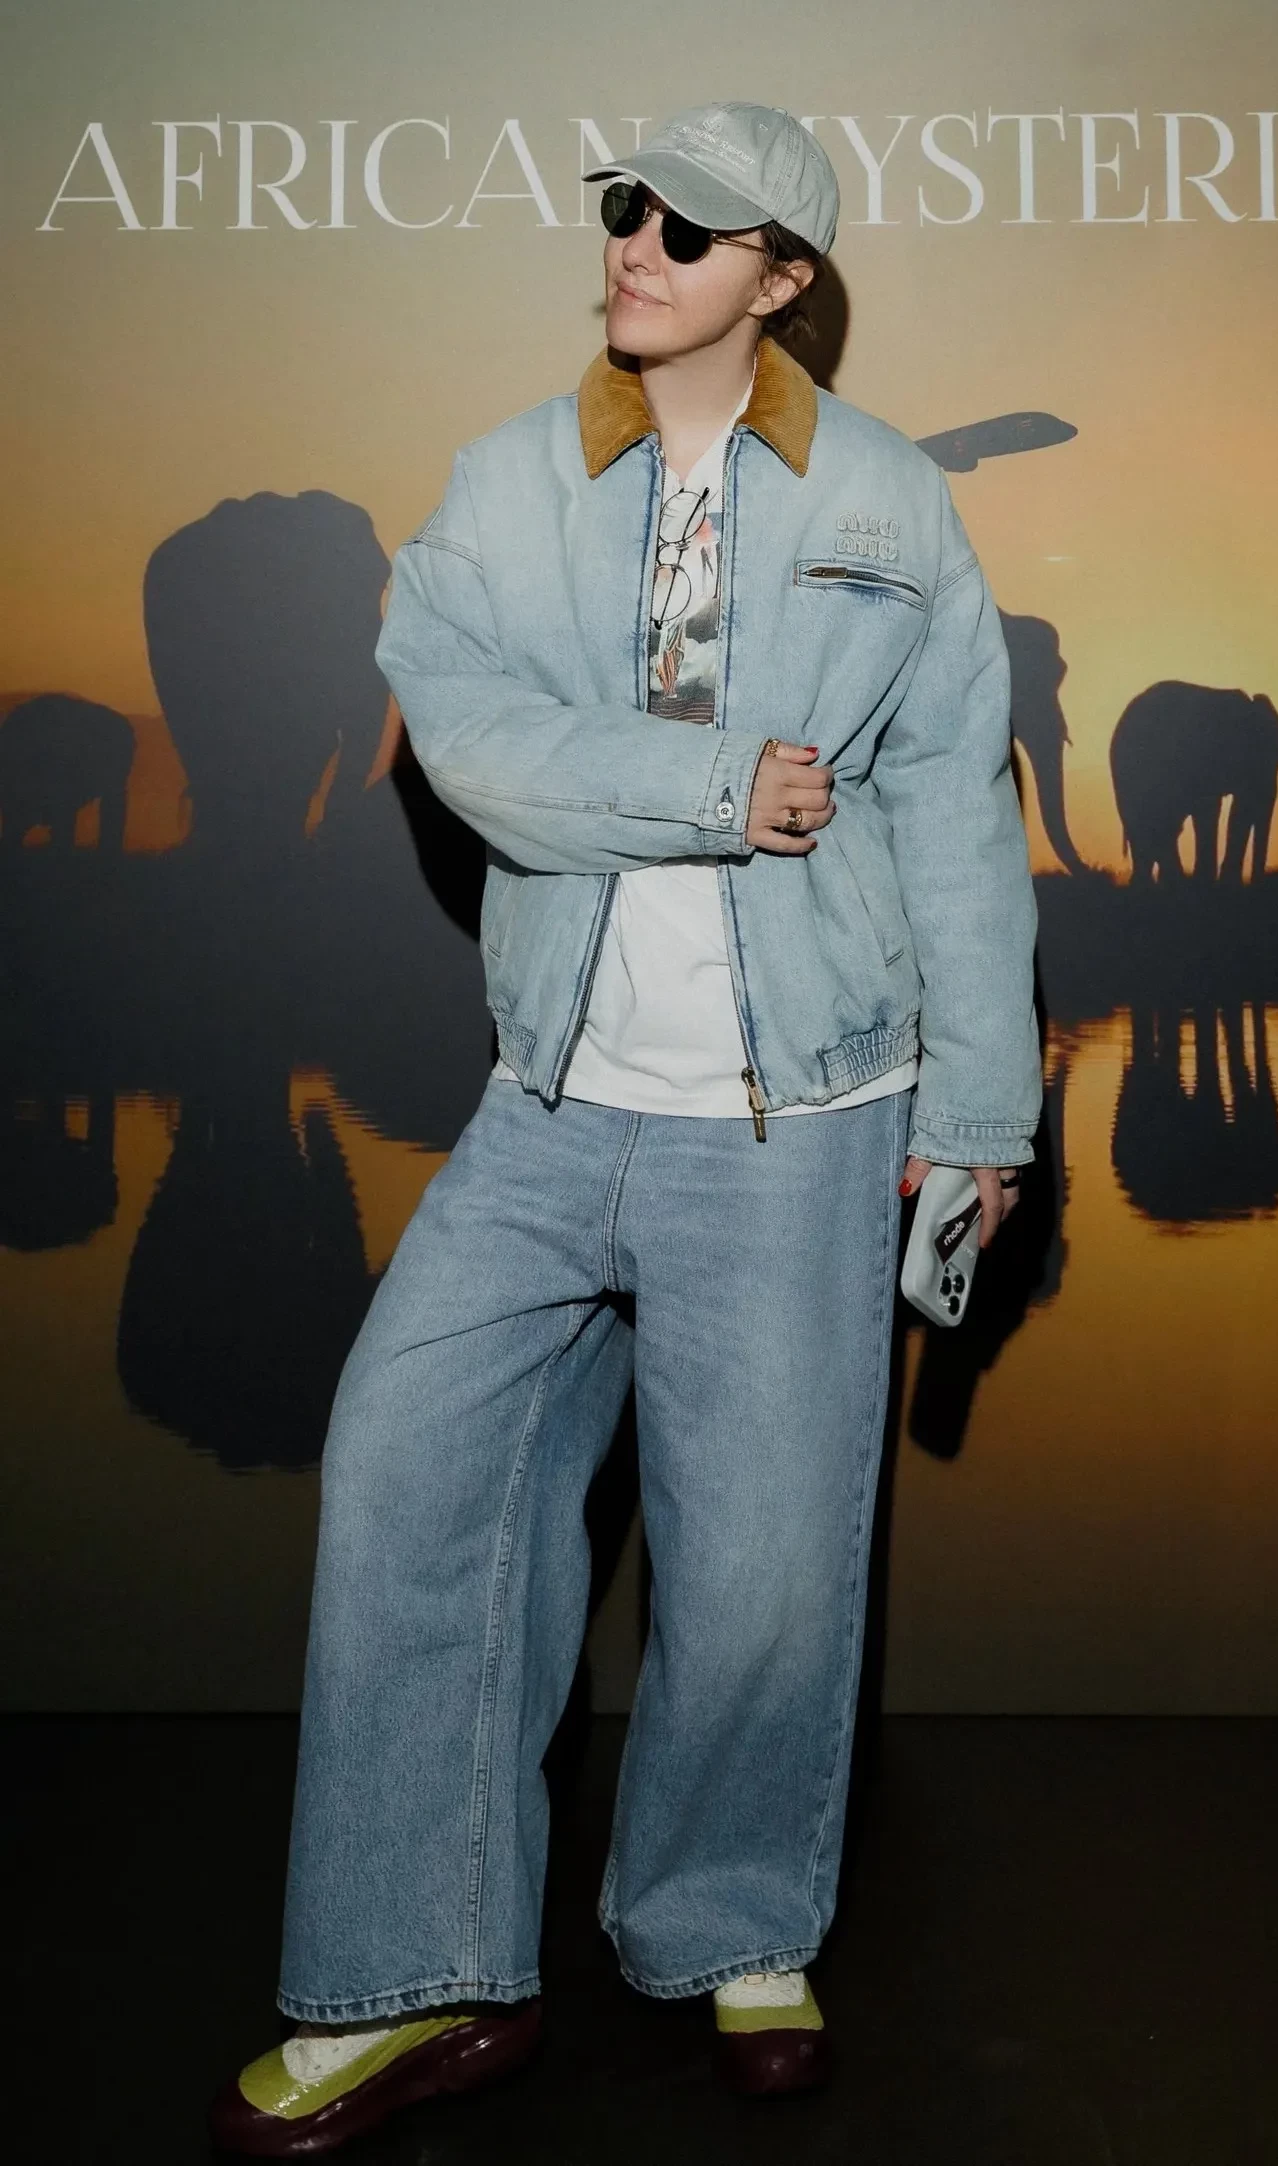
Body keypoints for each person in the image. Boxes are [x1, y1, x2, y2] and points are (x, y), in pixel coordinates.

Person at [210, 100, 1040, 2156]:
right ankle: (414, 1970)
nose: (640, 243)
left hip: (802, 1112)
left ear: (783, 277)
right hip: (552, 1102)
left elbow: (953, 802)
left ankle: (729, 1926)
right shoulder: (510, 480)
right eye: (626, 207)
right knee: (409, 1473)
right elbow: (465, 734)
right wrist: (707, 787)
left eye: (693, 226)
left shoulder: (887, 496)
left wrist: (983, 1107)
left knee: (759, 1569)